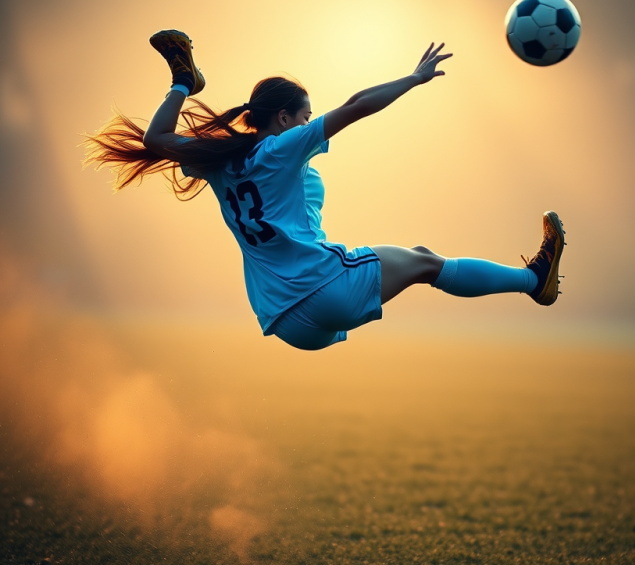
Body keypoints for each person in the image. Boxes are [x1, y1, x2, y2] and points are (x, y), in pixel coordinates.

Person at [85, 30, 566, 350]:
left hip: (283, 319)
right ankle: (534, 281)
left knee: (419, 259)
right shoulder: (282, 149)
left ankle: (533, 282)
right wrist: (413, 79)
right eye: (305, 116)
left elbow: (156, 140)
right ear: (283, 119)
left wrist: (180, 85)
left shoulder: (221, 160)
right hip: (320, 290)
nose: (309, 124)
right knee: (425, 261)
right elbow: (356, 106)